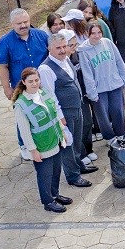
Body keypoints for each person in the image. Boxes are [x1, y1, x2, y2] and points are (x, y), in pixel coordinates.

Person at [37, 30, 94, 188]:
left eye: (64, 46)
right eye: (58, 48)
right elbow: (50, 97)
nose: (62, 50)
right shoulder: (46, 69)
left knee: (77, 141)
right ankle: (73, 176)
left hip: (77, 108)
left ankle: (79, 166)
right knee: (68, 144)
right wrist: (60, 118)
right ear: (50, 49)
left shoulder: (67, 60)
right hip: (65, 113)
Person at [13, 67, 71, 213]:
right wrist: (33, 150)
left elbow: (54, 115)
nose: (35, 84)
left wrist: (62, 133)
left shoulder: (43, 93)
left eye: (37, 80)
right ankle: (48, 201)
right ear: (24, 82)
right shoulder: (21, 105)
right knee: (45, 175)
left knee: (56, 170)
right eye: (31, 81)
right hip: (41, 145)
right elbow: (24, 131)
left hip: (55, 139)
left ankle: (55, 194)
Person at [77, 22, 125, 141]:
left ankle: (121, 134)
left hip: (114, 83)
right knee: (103, 116)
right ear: (87, 34)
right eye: (93, 33)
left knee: (118, 111)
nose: (97, 36)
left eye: (99, 32)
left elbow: (119, 61)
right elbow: (87, 74)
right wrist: (92, 92)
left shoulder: (108, 42)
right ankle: (109, 137)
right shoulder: (83, 51)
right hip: (99, 88)